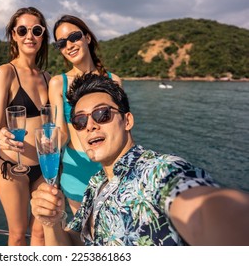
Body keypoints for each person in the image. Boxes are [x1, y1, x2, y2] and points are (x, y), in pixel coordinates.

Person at [31, 73, 249, 246]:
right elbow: (72, 245)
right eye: (79, 121)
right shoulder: (95, 185)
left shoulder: (157, 171)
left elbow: (203, 211)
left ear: (127, 121)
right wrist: (51, 223)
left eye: (102, 114)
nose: (90, 126)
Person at [0, 7, 50, 246]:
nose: (29, 36)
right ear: (13, 35)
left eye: (36, 30)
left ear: (43, 35)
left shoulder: (46, 77)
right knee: (16, 235)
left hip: (44, 167)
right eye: (22, 30)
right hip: (12, 167)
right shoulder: (6, 72)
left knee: (41, 232)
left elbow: (52, 124)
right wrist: (0, 137)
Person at [49, 15, 122, 214]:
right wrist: (48, 144)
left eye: (74, 37)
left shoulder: (113, 80)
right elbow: (61, 132)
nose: (69, 45)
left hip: (110, 167)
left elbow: (122, 129)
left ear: (87, 37)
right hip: (76, 168)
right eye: (62, 43)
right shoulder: (58, 83)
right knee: (84, 237)